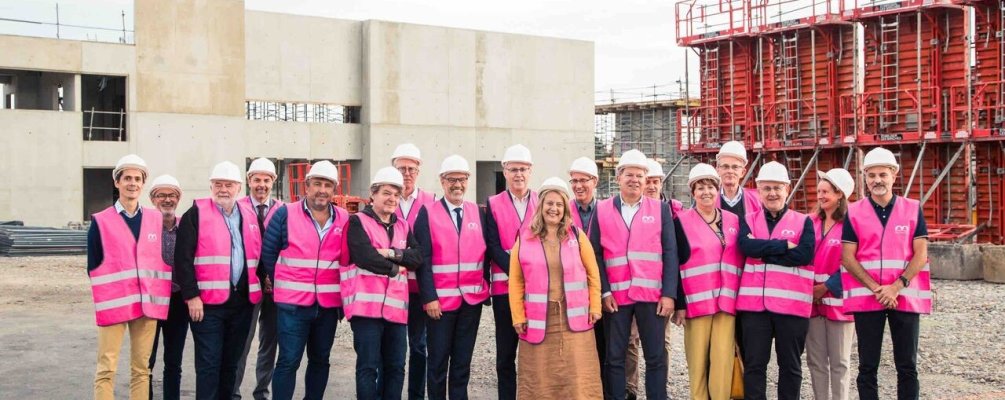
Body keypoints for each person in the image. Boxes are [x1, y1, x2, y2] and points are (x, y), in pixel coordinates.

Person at [589, 149, 680, 400]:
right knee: (615, 357)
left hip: (651, 296)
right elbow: (595, 253)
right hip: (615, 297)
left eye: (640, 175)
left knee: (655, 357)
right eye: (629, 174)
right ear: (618, 177)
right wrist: (604, 291)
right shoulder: (602, 209)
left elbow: (671, 253)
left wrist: (669, 294)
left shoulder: (660, 210)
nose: (635, 180)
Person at [842, 147, 931, 400]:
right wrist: (877, 289)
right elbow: (848, 257)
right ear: (865, 178)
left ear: (894, 175)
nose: (877, 180)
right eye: (871, 175)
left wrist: (896, 287)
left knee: (907, 366)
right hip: (868, 298)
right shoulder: (854, 211)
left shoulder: (913, 208)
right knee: (867, 366)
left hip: (904, 296)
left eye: (883, 174)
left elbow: (921, 254)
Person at [175, 161, 264, 400]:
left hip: (241, 304)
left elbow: (259, 254)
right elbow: (182, 259)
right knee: (209, 366)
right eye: (218, 184)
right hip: (206, 307)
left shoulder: (250, 215)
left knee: (231, 365)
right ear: (211, 186)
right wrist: (192, 296)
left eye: (229, 185)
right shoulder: (195, 214)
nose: (223, 189)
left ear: (238, 188)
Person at [261, 160, 348, 400]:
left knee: (321, 361)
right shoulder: (285, 213)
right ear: (307, 186)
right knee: (288, 361)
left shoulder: (343, 218)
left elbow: (348, 259)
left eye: (328, 185)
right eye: (317, 183)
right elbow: (268, 253)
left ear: (334, 189)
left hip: (328, 307)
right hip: (293, 307)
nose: (322, 189)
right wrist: (284, 282)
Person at [509, 177, 603, 398]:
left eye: (559, 204)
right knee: (538, 378)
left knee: (578, 377)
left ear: (565, 208)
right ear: (540, 206)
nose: (554, 209)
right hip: (538, 321)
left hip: (575, 323)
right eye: (549, 203)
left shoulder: (577, 236)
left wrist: (595, 306)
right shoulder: (524, 239)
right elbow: (515, 281)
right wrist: (518, 316)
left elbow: (593, 274)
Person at [87, 154, 171, 400]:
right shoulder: (101, 221)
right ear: (117, 182)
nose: (132, 183)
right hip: (114, 305)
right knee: (106, 369)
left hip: (147, 305)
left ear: (143, 184)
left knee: (141, 370)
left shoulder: (156, 219)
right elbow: (92, 265)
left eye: (137, 178)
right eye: (127, 178)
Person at [736, 161, 816, 400]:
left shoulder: (803, 222)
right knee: (754, 366)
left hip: (791, 308)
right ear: (758, 191)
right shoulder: (748, 219)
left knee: (790, 367)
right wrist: (782, 246)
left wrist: (763, 253)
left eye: (777, 188)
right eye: (767, 188)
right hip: (754, 308)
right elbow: (745, 246)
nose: (772, 193)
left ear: (787, 189)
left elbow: (804, 255)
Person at [414, 155, 490, 400]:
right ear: (442, 181)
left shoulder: (478, 213)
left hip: (471, 302)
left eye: (462, 179)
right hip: (440, 305)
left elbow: (486, 253)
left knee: (461, 365)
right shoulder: (427, 213)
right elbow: (422, 261)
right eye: (451, 179)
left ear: (468, 180)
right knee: (437, 364)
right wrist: (429, 298)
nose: (457, 184)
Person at [344, 166, 424, 400]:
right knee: (368, 368)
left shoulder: (403, 225)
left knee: (396, 368)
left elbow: (418, 257)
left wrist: (391, 254)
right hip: (366, 312)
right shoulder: (358, 221)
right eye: (387, 193)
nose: (392, 199)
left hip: (396, 313)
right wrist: (396, 267)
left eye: (396, 195)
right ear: (373, 195)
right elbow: (364, 256)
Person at [672, 163, 742, 400]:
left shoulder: (733, 220)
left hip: (726, 303)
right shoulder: (681, 222)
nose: (706, 192)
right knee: (698, 362)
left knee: (723, 360)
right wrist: (679, 304)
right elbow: (675, 265)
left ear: (718, 189)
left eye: (710, 187)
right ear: (693, 193)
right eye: (700, 188)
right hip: (696, 304)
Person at [484, 144, 538, 400]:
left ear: (531, 171)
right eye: (513, 169)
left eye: (523, 169)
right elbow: (492, 246)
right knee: (505, 353)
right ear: (504, 171)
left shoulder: (542, 201)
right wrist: (518, 271)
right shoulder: (493, 204)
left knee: (534, 352)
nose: (519, 174)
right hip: (504, 291)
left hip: (536, 291)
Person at [390, 143, 438, 400]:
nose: (406, 173)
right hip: (391, 288)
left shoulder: (431, 202)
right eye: (401, 168)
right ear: (393, 169)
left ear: (418, 170)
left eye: (411, 168)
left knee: (419, 348)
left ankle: (416, 396)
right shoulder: (386, 198)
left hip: (419, 289)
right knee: (394, 349)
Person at [234, 157, 283, 400]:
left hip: (275, 287)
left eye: (266, 180)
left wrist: (272, 276)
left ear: (273, 181)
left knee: (269, 343)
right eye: (256, 180)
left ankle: (261, 392)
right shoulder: (237, 208)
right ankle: (233, 392)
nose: (261, 185)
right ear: (248, 181)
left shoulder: (283, 210)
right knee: (242, 342)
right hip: (247, 287)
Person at [806, 168, 856, 400]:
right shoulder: (810, 222)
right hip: (812, 302)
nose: (821, 196)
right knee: (815, 361)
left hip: (839, 302)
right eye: (819, 191)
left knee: (840, 362)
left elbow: (853, 261)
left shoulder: (851, 225)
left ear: (840, 194)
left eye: (826, 191)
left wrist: (825, 287)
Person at [567, 156, 610, 397]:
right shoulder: (565, 210)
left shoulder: (607, 210)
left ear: (595, 181)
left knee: (603, 347)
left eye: (583, 180)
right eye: (574, 181)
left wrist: (606, 291)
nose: (578, 186)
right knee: (577, 347)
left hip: (601, 289)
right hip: (573, 293)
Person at [146, 174, 190, 400]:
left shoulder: (187, 227)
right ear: (152, 199)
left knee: (174, 363)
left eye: (172, 195)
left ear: (178, 198)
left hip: (178, 302)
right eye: (161, 195)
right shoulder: (143, 227)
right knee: (147, 362)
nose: (167, 200)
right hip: (150, 303)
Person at [715, 140, 762, 218]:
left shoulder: (757, 201)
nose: (730, 171)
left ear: (743, 172)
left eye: (735, 167)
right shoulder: (709, 200)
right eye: (725, 166)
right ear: (718, 170)